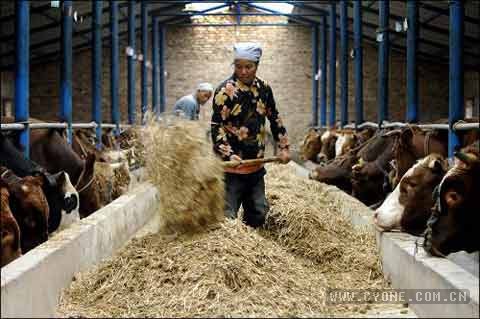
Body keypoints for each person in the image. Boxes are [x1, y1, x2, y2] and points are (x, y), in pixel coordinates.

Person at [211, 42, 290, 228]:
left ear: (257, 65)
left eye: (249, 67)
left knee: (258, 212)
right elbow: (217, 126)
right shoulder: (224, 91)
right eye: (239, 67)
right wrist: (228, 154)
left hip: (255, 165)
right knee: (227, 218)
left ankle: (253, 250)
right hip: (231, 167)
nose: (244, 71)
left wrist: (284, 146)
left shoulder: (264, 89)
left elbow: (275, 118)